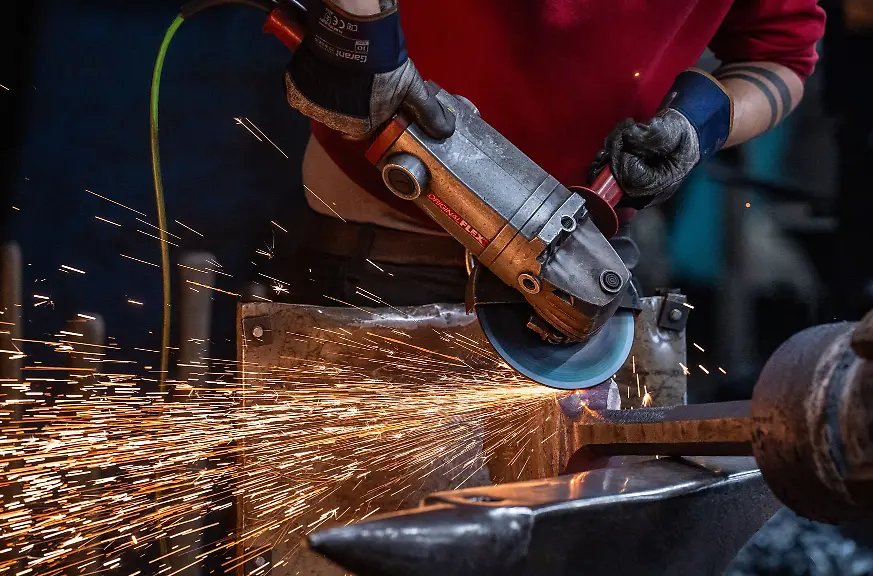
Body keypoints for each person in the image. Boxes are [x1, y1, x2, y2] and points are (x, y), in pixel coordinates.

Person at [279, 0, 826, 405]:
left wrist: (697, 126)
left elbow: (781, 54)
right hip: (379, 249)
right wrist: (352, 32)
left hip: (580, 268)